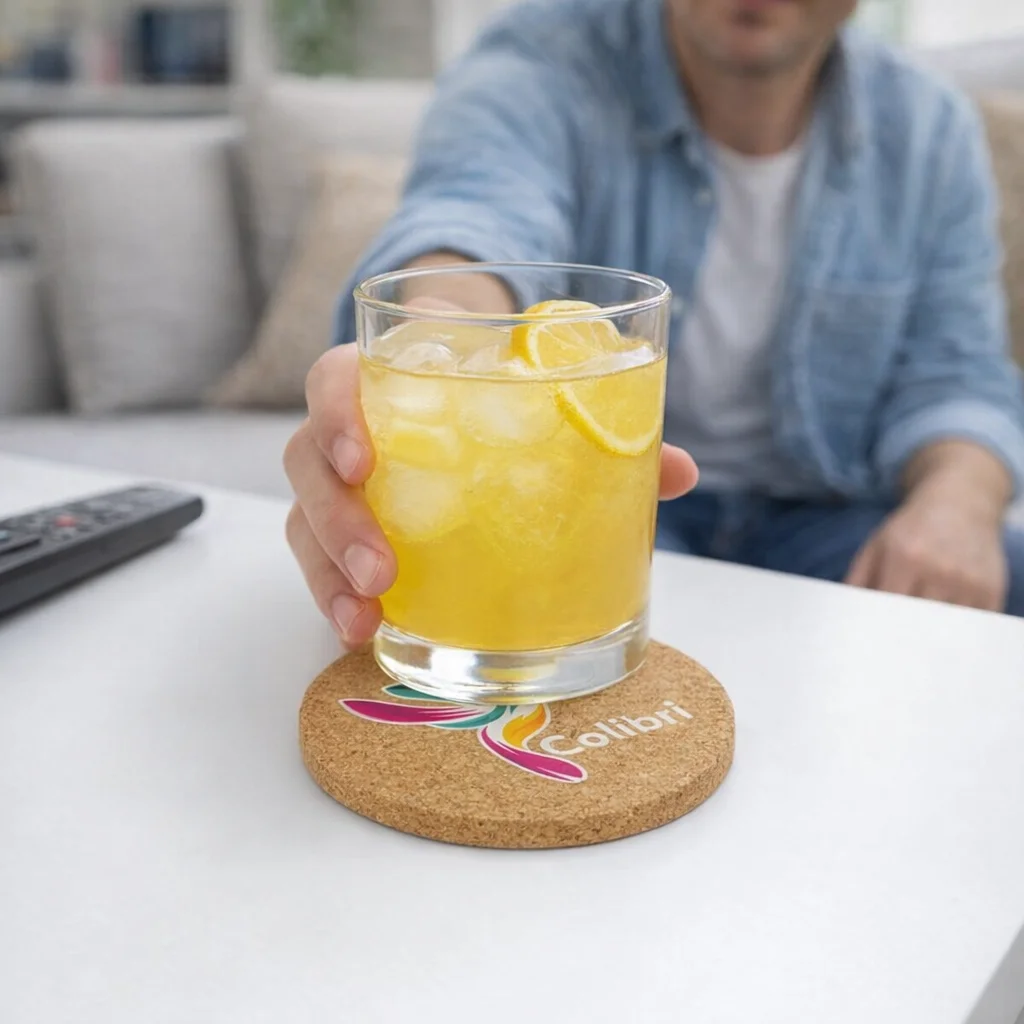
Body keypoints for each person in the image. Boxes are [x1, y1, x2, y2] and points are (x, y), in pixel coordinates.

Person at [284, 0, 1024, 648]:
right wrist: (436, 337)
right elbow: (476, 210)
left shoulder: (928, 129)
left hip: (828, 517)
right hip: (602, 511)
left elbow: (957, 371)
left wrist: (955, 507)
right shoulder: (542, 60)